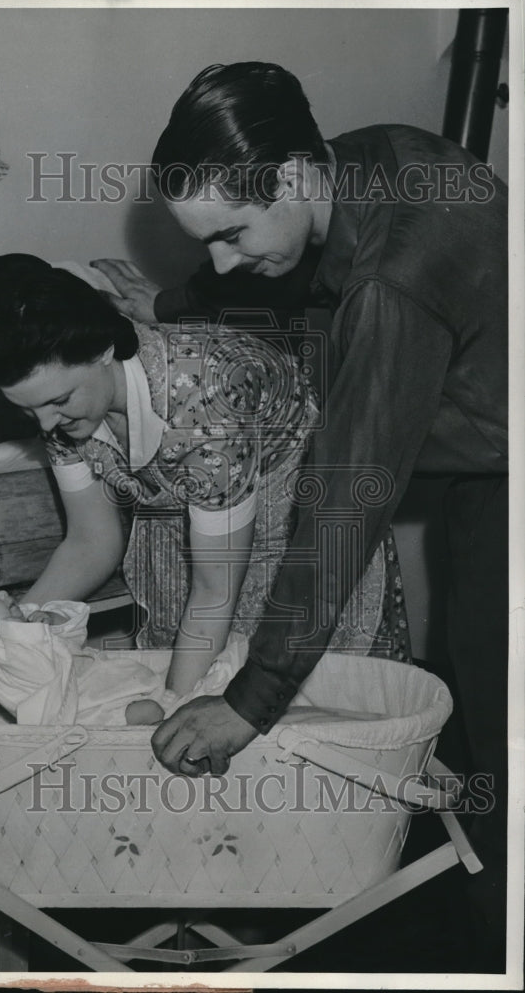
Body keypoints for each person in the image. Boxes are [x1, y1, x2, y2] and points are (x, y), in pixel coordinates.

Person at [96, 62, 506, 963]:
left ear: (289, 177)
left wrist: (250, 701)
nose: (221, 259)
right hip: (484, 450)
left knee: (501, 733)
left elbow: (342, 508)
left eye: (231, 234)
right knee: (475, 705)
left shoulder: (390, 286)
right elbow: (284, 269)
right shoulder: (368, 158)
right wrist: (170, 305)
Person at [0, 255, 410, 724]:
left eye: (59, 401)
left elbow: (214, 594)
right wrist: (6, 630)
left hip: (294, 537)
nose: (47, 425)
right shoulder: (59, 411)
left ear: (103, 350)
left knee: (287, 719)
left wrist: (173, 710)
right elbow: (92, 540)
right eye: (30, 413)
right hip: (195, 534)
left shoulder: (205, 400)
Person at [0, 576, 165, 726]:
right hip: (76, 713)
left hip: (96, 684)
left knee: (151, 689)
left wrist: (52, 619)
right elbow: (41, 674)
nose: (3, 593)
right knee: (143, 712)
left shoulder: (25, 630)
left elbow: (75, 635)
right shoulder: (0, 656)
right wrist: (22, 631)